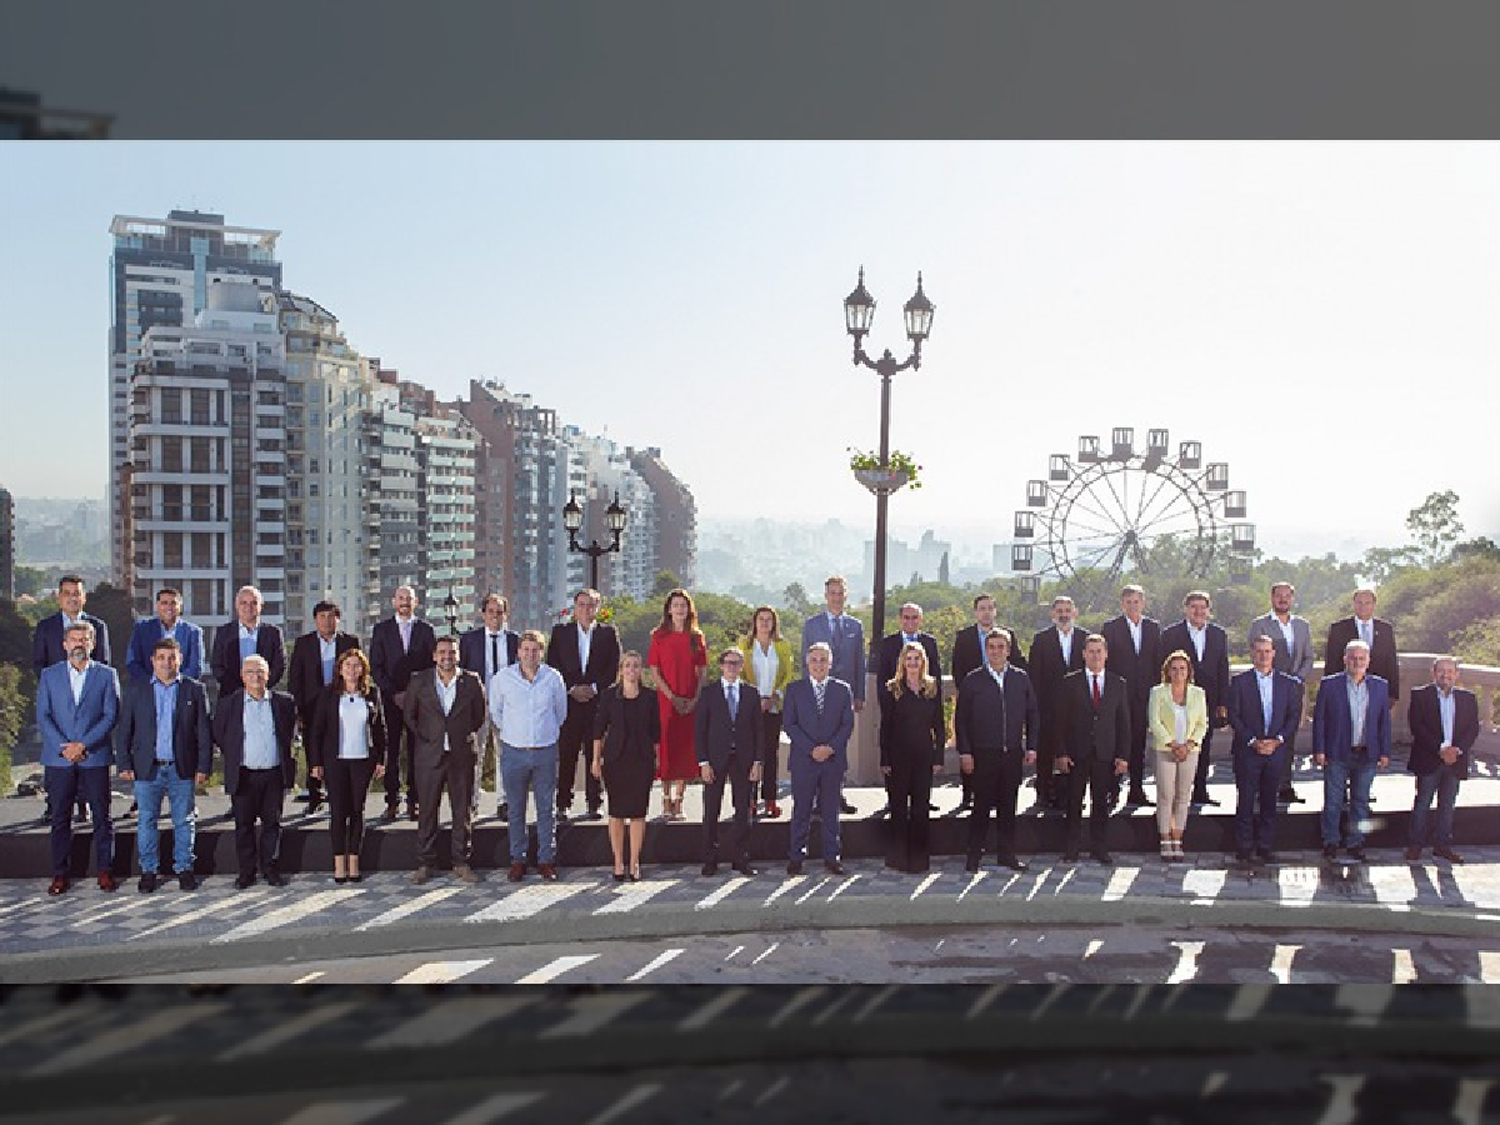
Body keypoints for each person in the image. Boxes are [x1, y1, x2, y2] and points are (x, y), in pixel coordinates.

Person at [116, 637, 211, 892]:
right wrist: (123, 762)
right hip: (148, 768)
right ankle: (149, 871)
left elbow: (203, 731)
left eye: (172, 658)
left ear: (180, 659)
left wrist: (203, 766)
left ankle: (184, 869)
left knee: (184, 821)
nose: (167, 663)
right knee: (147, 820)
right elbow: (125, 729)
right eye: (161, 658)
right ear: (152, 661)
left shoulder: (194, 689)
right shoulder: (137, 689)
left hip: (182, 767)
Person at [37, 622, 121, 896]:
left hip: (94, 756)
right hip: (59, 758)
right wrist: (66, 748)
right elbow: (44, 716)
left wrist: (83, 745)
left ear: (93, 644)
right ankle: (60, 874)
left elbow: (111, 715)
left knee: (102, 816)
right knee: (60, 818)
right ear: (64, 644)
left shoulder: (107, 675)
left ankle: (105, 871)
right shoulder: (49, 676)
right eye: (74, 639)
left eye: (84, 640)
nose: (79, 644)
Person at [404, 635, 488, 885]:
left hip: (461, 755)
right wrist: (430, 738)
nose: (447, 657)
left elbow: (479, 716)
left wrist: (458, 735)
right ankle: (425, 863)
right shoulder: (419, 681)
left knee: (461, 811)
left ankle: (461, 862)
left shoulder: (471, 681)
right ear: (434, 655)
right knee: (427, 811)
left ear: (458, 655)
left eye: (451, 652)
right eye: (442, 652)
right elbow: (410, 716)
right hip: (429, 755)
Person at [956, 629, 1039, 872]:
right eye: (991, 647)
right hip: (983, 753)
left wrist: (1031, 745)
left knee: (1008, 806)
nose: (995, 651)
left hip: (1012, 752)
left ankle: (1007, 854)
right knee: (980, 806)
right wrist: (965, 752)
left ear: (1008, 650)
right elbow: (961, 720)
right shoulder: (973, 680)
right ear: (986, 650)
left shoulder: (1020, 678)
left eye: (1000, 647)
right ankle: (974, 855)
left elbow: (1032, 713)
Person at [212, 653, 298, 889]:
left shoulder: (284, 702)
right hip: (244, 773)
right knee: (244, 826)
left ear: (268, 675)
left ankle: (270, 868)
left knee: (272, 824)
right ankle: (246, 872)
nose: (255, 676)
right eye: (250, 672)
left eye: (260, 671)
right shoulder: (230, 703)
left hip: (273, 773)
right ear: (242, 676)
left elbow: (288, 734)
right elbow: (219, 733)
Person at [491, 630, 570, 882]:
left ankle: (546, 860)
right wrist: (517, 734)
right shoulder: (502, 679)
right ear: (518, 652)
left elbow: (561, 713)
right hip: (513, 751)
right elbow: (497, 713)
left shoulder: (553, 678)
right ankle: (518, 860)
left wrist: (543, 734)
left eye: (535, 650)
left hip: (545, 751)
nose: (529, 654)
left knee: (546, 809)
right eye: (525, 649)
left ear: (541, 652)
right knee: (516, 810)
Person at [33, 575, 111, 823]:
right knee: (58, 751)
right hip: (58, 702)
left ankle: (83, 804)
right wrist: (56, 690)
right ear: (59, 597)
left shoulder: (97, 626)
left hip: (89, 702)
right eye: (67, 593)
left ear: (84, 597)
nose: (72, 598)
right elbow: (38, 663)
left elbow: (103, 663)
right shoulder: (46, 627)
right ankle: (53, 804)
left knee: (87, 753)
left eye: (76, 593)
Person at [308, 648, 387, 883]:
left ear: (363, 670)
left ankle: (354, 862)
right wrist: (315, 763)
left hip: (363, 760)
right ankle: (338, 863)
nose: (352, 670)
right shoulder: (329, 694)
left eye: (357, 666)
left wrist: (382, 760)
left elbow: (381, 730)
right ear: (340, 670)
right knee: (338, 812)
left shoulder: (371, 694)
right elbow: (317, 731)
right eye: (347, 666)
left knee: (357, 811)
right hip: (335, 761)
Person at [1227, 636, 1304, 866]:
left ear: (1274, 653)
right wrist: (1253, 741)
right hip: (1248, 751)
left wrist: (1277, 740)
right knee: (1246, 801)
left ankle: (1266, 846)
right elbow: (1234, 716)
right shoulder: (1240, 682)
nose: (1263, 655)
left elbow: (1293, 717)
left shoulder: (1289, 684)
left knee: (1270, 802)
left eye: (1267, 651)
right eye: (1259, 651)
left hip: (1276, 751)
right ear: (1252, 653)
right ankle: (1243, 847)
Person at [1313, 639, 1391, 863]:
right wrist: (1319, 749)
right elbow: (1320, 720)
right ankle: (1330, 842)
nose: (1357, 662)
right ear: (1345, 660)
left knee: (1361, 801)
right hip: (1337, 752)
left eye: (1362, 658)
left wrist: (1384, 751)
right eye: (1353, 658)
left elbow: (1383, 722)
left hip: (1367, 753)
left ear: (1368, 661)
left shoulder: (1379, 686)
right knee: (1333, 801)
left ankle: (1355, 843)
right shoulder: (1330, 684)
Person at [782, 641, 855, 876]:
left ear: (830, 663)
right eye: (814, 660)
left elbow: (847, 724)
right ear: (807, 662)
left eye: (823, 660)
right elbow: (790, 724)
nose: (819, 664)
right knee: (801, 810)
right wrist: (811, 749)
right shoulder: (794, 689)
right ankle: (796, 857)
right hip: (804, 760)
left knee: (830, 812)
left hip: (833, 761)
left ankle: (832, 857)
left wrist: (830, 748)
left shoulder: (843, 689)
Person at [548, 588, 620, 822]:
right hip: (569, 703)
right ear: (575, 608)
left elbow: (613, 668)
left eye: (591, 605)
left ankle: (594, 803)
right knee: (567, 754)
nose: (586, 610)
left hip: (597, 704)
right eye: (581, 605)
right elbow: (553, 665)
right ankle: (562, 804)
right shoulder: (561, 633)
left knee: (594, 755)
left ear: (598, 609)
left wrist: (594, 689)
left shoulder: (608, 634)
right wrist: (572, 688)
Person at [1058, 634, 1131, 864]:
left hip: (1105, 753)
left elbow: (1124, 723)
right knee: (1073, 802)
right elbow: (1060, 722)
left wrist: (1122, 756)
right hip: (1076, 753)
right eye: (1091, 652)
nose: (1095, 656)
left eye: (1099, 651)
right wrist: (1061, 752)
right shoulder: (1070, 682)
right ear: (1083, 655)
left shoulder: (1118, 683)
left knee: (1101, 802)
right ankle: (1072, 847)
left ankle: (1099, 848)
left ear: (1106, 654)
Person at [950, 595, 1027, 813]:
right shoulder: (964, 637)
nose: (986, 612)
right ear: (975, 612)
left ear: (995, 611)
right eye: (981, 608)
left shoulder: (1007, 635)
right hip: (974, 700)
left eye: (989, 608)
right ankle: (968, 794)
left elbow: (1019, 662)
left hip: (1001, 701)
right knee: (971, 749)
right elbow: (958, 668)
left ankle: (995, 797)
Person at [591, 651, 661, 881]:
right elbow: (598, 730)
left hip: (641, 760)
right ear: (621, 669)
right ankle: (618, 862)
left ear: (641, 670)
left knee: (639, 813)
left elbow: (656, 732)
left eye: (636, 666)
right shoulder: (610, 696)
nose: (631, 670)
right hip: (615, 761)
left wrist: (657, 760)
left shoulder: (650, 697)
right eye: (627, 666)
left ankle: (634, 863)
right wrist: (595, 759)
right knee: (617, 813)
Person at [368, 585, 436, 823]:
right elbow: (375, 666)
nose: (405, 602)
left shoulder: (426, 630)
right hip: (389, 700)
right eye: (401, 598)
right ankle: (392, 801)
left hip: (419, 702)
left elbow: (432, 666)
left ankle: (414, 801)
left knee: (417, 751)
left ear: (416, 602)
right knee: (392, 750)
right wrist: (394, 692)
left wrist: (414, 694)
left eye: (409, 599)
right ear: (393, 602)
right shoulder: (381, 630)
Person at [287, 600, 360, 816]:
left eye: (331, 617)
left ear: (338, 619)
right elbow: (295, 679)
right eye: (322, 617)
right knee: (314, 750)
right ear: (315, 620)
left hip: (343, 703)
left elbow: (360, 670)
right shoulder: (303, 643)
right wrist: (298, 708)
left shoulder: (350, 642)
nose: (327, 621)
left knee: (340, 749)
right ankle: (315, 796)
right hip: (312, 706)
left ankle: (337, 796)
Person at [695, 648, 763, 878]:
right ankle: (710, 860)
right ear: (721, 666)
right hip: (715, 759)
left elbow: (758, 731)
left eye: (736, 663)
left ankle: (740, 859)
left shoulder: (751, 693)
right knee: (711, 810)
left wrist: (757, 761)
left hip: (743, 759)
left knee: (743, 811)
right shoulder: (709, 693)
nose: (732, 667)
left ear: (742, 666)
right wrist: (703, 761)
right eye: (728, 663)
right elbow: (700, 730)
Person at [1159, 591, 1231, 807]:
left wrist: (1223, 703)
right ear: (1186, 609)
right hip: (1177, 699)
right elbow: (1163, 669)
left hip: (1207, 700)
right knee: (1175, 745)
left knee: (1202, 745)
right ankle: (1174, 793)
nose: (1199, 612)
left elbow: (1222, 668)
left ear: (1209, 611)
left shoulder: (1219, 634)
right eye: (1194, 607)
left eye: (1203, 607)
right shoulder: (1171, 634)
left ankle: (1200, 790)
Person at [879, 641, 945, 873]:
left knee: (920, 808)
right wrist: (884, 758)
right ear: (902, 663)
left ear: (923, 661)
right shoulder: (892, 688)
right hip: (897, 756)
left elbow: (939, 724)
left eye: (917, 658)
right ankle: (898, 858)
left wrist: (939, 757)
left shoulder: (932, 687)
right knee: (898, 807)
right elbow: (885, 726)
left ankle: (919, 859)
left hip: (924, 755)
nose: (913, 663)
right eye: (909, 659)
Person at [1405, 656, 1478, 864]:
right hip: (1429, 759)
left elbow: (1473, 728)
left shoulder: (1468, 698)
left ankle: (1442, 846)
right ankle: (1415, 845)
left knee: (1447, 805)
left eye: (1450, 671)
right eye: (1441, 671)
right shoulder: (1420, 695)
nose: (1445, 675)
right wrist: (1440, 749)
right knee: (1422, 803)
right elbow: (1417, 726)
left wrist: (1457, 750)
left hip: (1456, 760)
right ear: (1433, 673)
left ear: (1457, 674)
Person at [801, 575, 864, 815]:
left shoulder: (855, 626)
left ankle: (837, 795)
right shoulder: (812, 625)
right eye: (832, 593)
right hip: (817, 694)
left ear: (845, 596)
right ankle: (818, 799)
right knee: (818, 745)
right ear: (826, 596)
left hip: (843, 697)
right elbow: (802, 662)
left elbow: (860, 662)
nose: (836, 597)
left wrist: (859, 695)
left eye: (840, 593)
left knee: (840, 746)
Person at [1248, 581, 1315, 805]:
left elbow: (1308, 657)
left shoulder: (1302, 626)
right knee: (1264, 736)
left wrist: (1297, 679)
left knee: (1288, 739)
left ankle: (1285, 786)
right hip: (1266, 688)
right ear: (1272, 598)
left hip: (1293, 691)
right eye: (1279, 596)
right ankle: (1262, 788)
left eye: (1287, 596)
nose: (1283, 599)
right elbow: (1258, 656)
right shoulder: (1260, 624)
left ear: (1293, 599)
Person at [874, 603, 944, 816]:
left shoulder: (930, 643)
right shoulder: (888, 644)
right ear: (900, 619)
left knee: (920, 800)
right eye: (906, 617)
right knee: (897, 791)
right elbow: (881, 679)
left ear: (920, 620)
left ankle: (922, 800)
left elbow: (937, 676)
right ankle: (892, 798)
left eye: (914, 617)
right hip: (896, 711)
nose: (910, 621)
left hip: (923, 715)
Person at [647, 588, 707, 821]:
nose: (680, 609)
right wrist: (671, 696)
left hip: (691, 700)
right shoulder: (659, 636)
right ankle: (665, 800)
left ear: (689, 609)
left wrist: (695, 699)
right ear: (669, 609)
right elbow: (654, 669)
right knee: (666, 748)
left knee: (685, 747)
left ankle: (679, 801)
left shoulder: (696, 637)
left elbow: (702, 671)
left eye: (683, 605)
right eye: (676, 605)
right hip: (667, 699)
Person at [1099, 584, 1161, 808]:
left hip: (1144, 695)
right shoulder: (1111, 627)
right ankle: (1112, 790)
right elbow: (1106, 662)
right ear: (1122, 604)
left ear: (1143, 603)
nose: (1133, 605)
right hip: (1118, 695)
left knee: (1138, 744)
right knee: (1116, 743)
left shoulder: (1153, 628)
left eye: (1136, 601)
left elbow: (1157, 661)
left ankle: (1136, 789)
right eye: (1128, 602)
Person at [460, 593, 520, 821]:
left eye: (500, 612)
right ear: (483, 614)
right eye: (491, 612)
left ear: (506, 614)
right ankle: (472, 802)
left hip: (507, 706)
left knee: (506, 755)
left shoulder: (515, 640)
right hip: (478, 705)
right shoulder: (469, 640)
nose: (495, 616)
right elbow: (462, 674)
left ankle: (504, 801)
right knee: (475, 754)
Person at [1146, 651, 1208, 862]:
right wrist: (1173, 744)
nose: (1178, 673)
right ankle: (1164, 838)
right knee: (1165, 795)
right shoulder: (1157, 692)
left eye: (1182, 669)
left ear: (1188, 671)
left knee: (1183, 796)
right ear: (1167, 671)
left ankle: (1177, 838)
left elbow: (1202, 724)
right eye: (1174, 669)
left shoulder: (1198, 694)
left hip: (1190, 751)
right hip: (1165, 750)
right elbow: (1154, 722)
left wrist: (1188, 745)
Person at [1029, 595, 1087, 812]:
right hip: (1048, 708)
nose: (1064, 614)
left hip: (1078, 709)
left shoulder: (1086, 638)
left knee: (1077, 753)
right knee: (1045, 753)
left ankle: (1075, 795)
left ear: (1075, 612)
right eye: (1059, 610)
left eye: (1067, 610)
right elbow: (1034, 676)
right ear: (1053, 614)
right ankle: (1043, 793)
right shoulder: (1041, 639)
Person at [738, 606, 795, 819]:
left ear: (774, 623)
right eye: (760, 619)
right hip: (750, 708)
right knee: (751, 754)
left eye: (768, 619)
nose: (764, 623)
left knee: (771, 754)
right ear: (754, 622)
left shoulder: (781, 646)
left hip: (773, 706)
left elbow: (788, 674)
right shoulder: (745, 645)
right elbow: (739, 674)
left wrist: (775, 696)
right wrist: (755, 699)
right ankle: (750, 799)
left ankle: (770, 799)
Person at [1323, 587, 1401, 704]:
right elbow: (1332, 663)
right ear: (1354, 604)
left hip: (1377, 691)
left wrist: (1393, 694)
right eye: (1359, 602)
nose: (1363, 606)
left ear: (1374, 605)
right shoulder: (1338, 628)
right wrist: (1331, 693)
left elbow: (1391, 662)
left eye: (1367, 603)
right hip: (1346, 691)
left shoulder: (1385, 629)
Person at [210, 584, 287, 697]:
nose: (248, 607)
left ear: (261, 606)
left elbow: (279, 666)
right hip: (231, 696)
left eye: (254, 603)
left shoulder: (273, 633)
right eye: (244, 603)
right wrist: (238, 690)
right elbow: (217, 666)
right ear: (236, 606)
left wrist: (259, 687)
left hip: (263, 696)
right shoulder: (223, 632)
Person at [125, 587, 204, 684]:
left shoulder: (193, 632)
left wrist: (176, 684)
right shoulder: (142, 629)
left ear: (180, 606)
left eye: (173, 603)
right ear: (157, 606)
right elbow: (132, 662)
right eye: (164, 603)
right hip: (148, 689)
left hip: (182, 690)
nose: (169, 607)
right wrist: (153, 684)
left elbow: (195, 668)